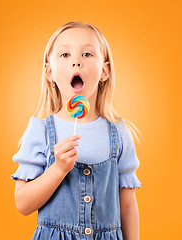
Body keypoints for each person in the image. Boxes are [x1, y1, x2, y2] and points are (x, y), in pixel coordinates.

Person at [11, 21, 141, 240]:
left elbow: (127, 206)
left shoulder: (119, 133)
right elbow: (23, 203)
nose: (76, 62)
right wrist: (58, 169)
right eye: (64, 55)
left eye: (88, 54)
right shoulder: (41, 130)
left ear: (105, 71)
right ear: (49, 72)